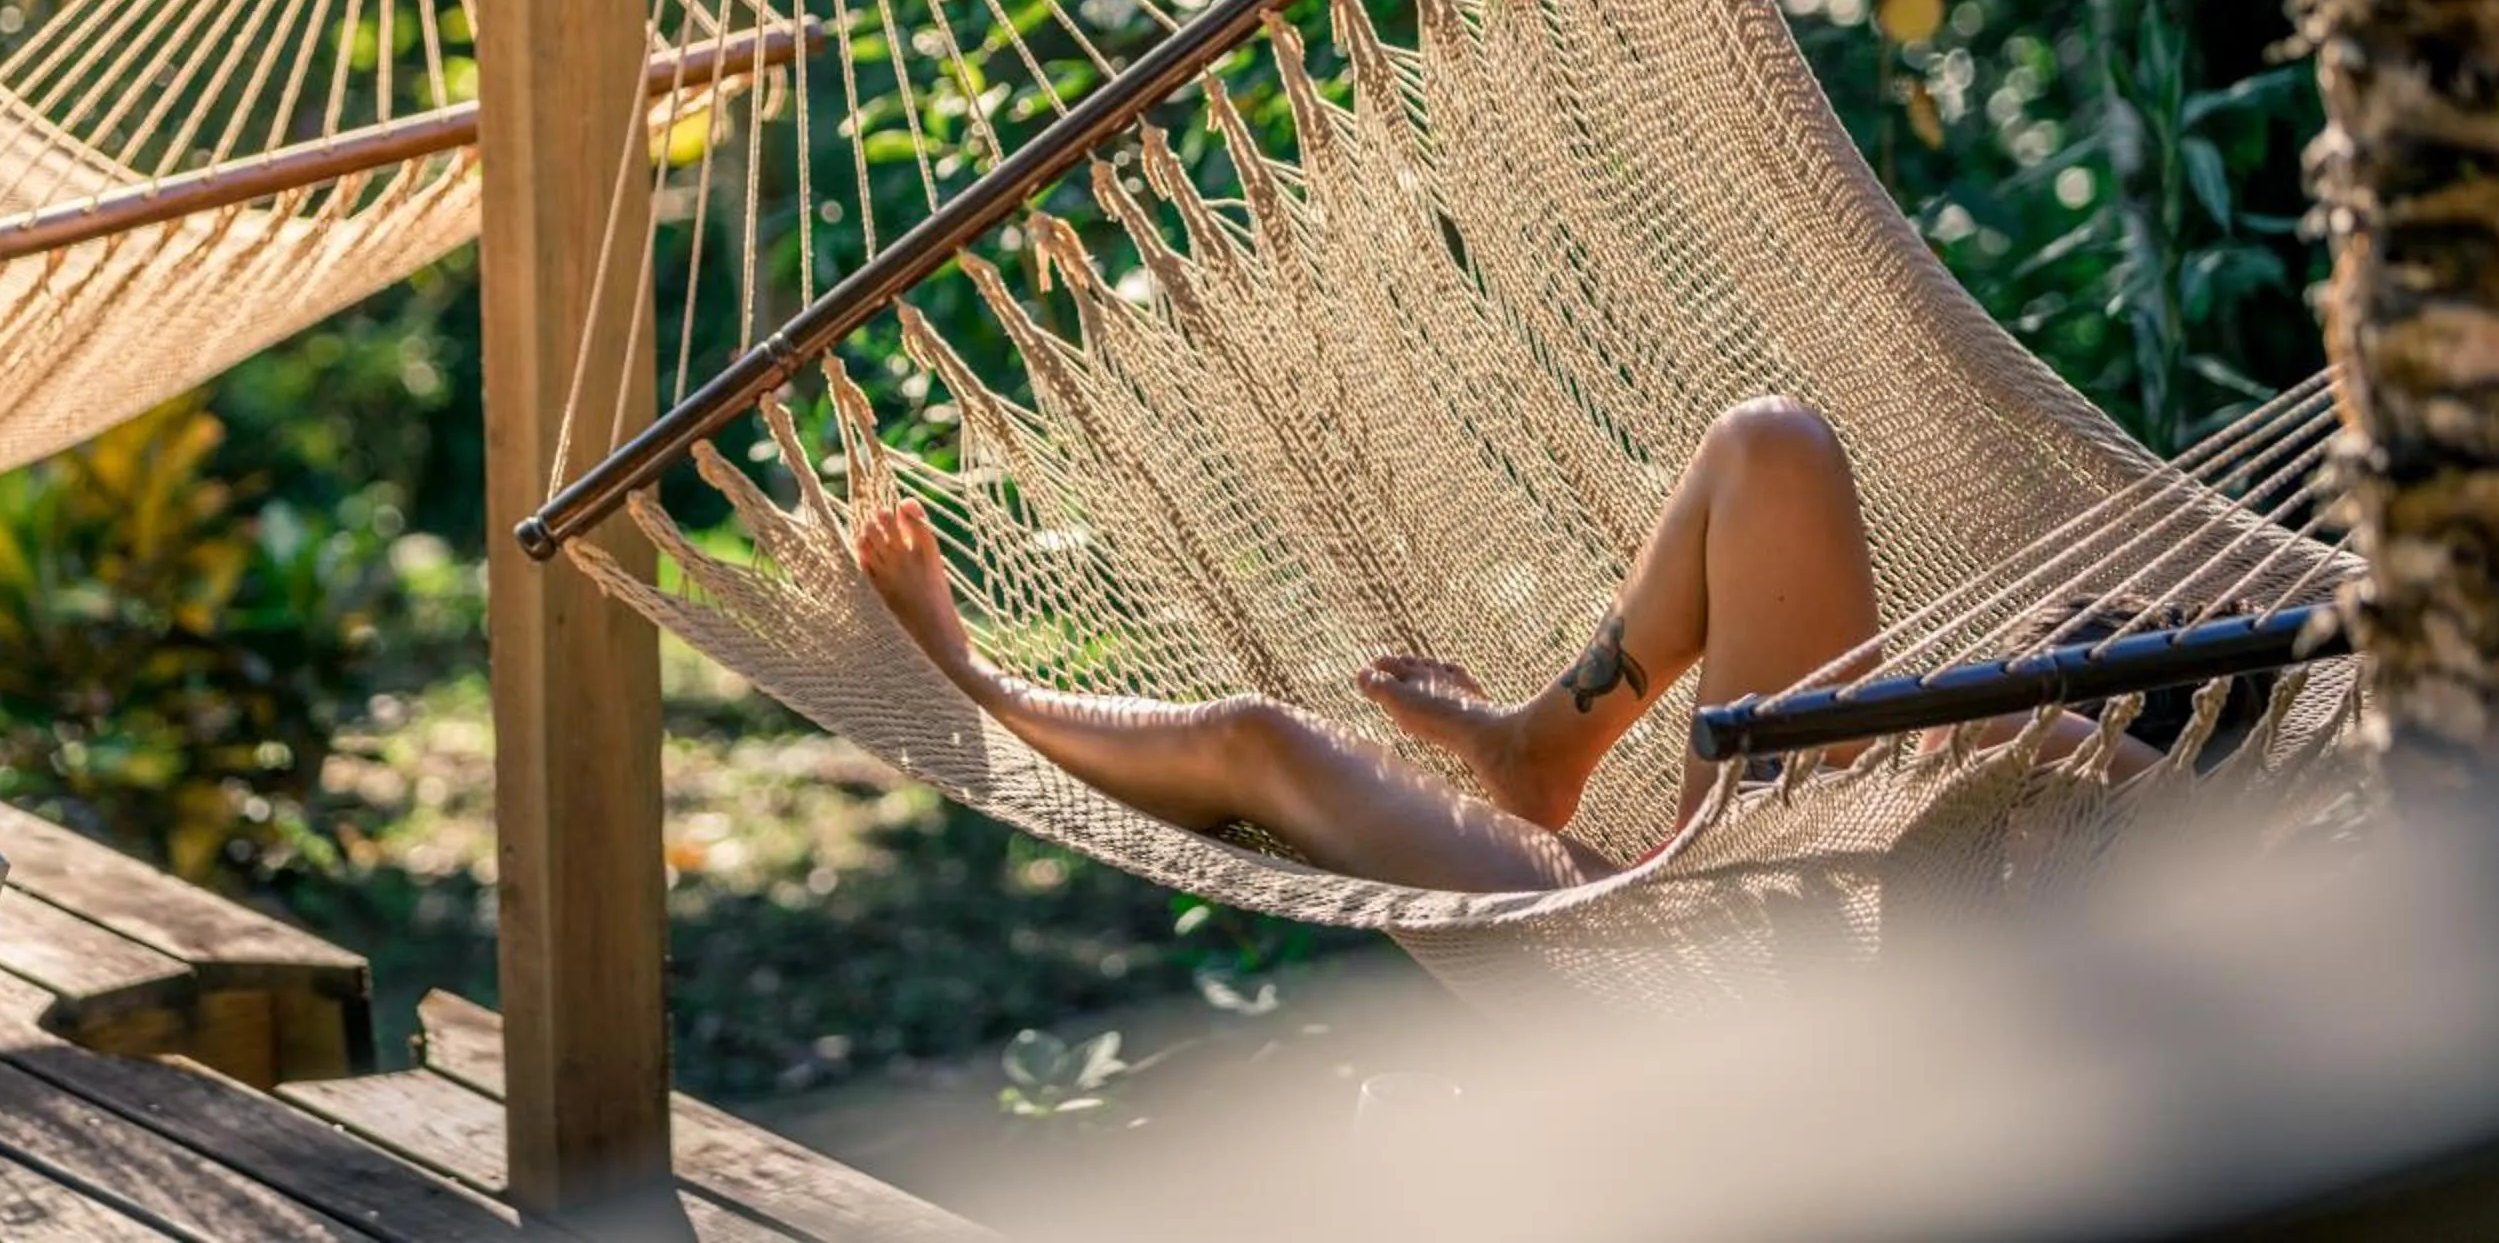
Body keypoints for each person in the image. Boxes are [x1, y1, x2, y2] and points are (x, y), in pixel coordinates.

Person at [850, 396, 2167, 894]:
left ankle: (973, 681)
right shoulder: (2001, 775)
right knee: (1772, 443)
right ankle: (1540, 743)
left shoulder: (2207, 837)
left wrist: (2004, 728)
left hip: (1704, 956)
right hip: (1744, 860)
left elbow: (2149, 796)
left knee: (1258, 743)